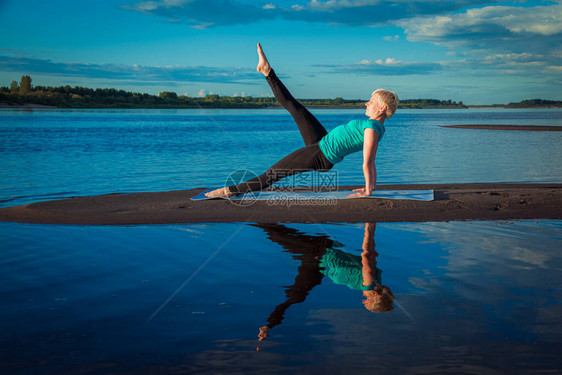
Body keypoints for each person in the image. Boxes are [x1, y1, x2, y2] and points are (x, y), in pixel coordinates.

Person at [205, 43, 398, 199]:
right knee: (294, 107)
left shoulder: (373, 128)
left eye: (371, 101)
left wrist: (368, 191)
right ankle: (267, 72)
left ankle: (229, 191)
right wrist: (370, 188)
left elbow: (368, 162)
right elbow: (370, 162)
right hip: (322, 141)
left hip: (321, 154)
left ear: (381, 108)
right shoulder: (377, 127)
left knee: (273, 173)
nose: (366, 103)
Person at [254, 222, 394, 349]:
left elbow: (371, 256)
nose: (364, 302)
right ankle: (255, 217)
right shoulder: (369, 283)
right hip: (319, 252)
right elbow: (368, 254)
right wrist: (369, 226)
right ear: (376, 295)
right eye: (368, 302)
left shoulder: (376, 280)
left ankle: (268, 326)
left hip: (319, 263)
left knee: (297, 295)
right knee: (276, 236)